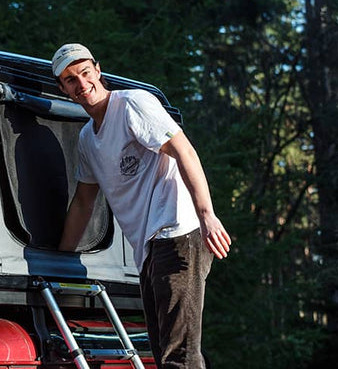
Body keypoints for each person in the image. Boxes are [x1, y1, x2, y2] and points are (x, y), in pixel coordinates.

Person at [52, 43, 232, 368]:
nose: (81, 83)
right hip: (149, 248)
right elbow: (83, 202)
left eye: (85, 73)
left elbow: (184, 150)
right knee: (163, 353)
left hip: (178, 233)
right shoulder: (88, 139)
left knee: (179, 356)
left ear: (98, 70)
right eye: (70, 79)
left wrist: (207, 215)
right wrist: (59, 261)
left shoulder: (132, 104)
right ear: (63, 88)